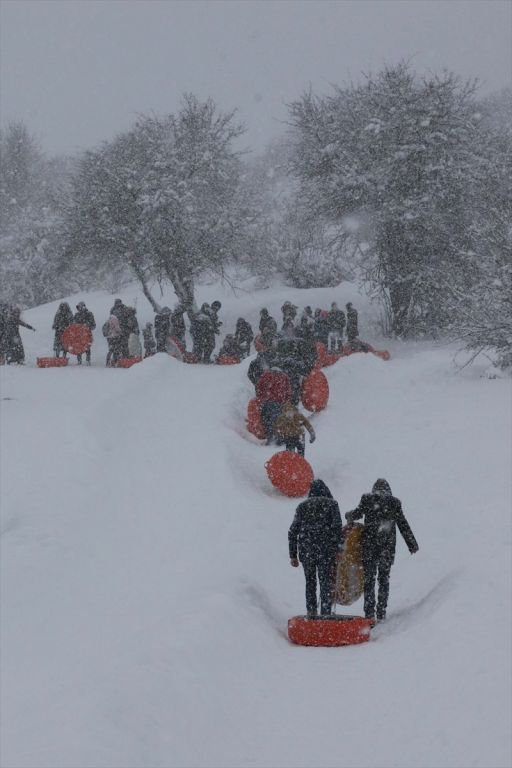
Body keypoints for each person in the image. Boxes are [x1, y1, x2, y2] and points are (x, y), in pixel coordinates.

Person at [345, 478, 419, 621]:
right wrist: (412, 544)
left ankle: (369, 614)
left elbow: (357, 514)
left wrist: (348, 516)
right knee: (384, 579)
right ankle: (381, 611)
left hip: (370, 547)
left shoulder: (367, 499)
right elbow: (403, 524)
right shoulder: (394, 503)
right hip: (387, 547)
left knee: (369, 580)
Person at [289, 479, 344, 618]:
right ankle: (325, 614)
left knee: (310, 582)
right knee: (325, 582)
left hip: (306, 552)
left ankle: (311, 613)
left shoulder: (302, 506)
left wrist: (293, 555)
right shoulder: (332, 504)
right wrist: (339, 549)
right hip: (326, 551)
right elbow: (337, 529)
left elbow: (292, 531)